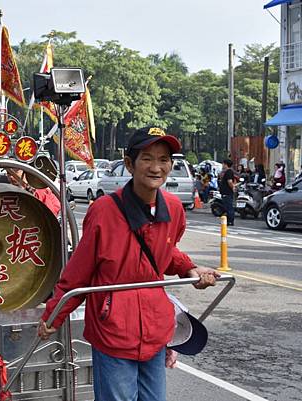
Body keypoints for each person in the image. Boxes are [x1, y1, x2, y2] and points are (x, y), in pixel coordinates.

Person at [37, 127, 219, 401]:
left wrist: (190, 269)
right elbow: (78, 273)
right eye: (147, 158)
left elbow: (166, 251)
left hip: (156, 327)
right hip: (114, 328)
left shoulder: (174, 208)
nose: (156, 167)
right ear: (129, 164)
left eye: (164, 159)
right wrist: (54, 314)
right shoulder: (104, 211)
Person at [219, 159, 236, 226]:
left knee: (229, 207)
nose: (222, 165)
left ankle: (230, 221)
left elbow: (230, 182)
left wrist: (233, 187)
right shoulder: (227, 172)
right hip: (225, 193)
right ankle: (227, 220)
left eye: (223, 164)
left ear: (226, 164)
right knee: (226, 207)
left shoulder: (229, 172)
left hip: (227, 193)